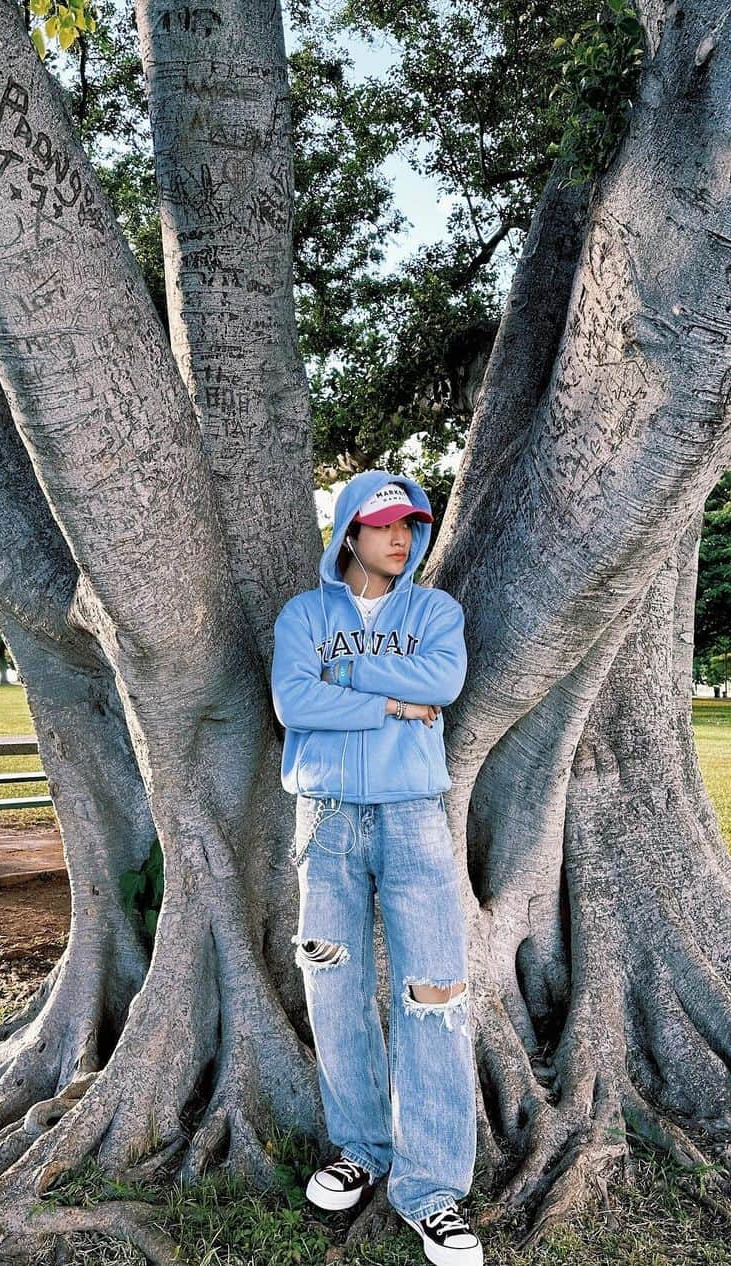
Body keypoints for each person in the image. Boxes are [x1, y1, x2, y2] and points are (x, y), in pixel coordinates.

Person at [271, 470, 482, 1266]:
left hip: (411, 817)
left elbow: (444, 681)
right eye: (385, 524)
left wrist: (348, 679)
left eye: (412, 526)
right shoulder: (305, 615)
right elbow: (294, 703)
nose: (401, 538)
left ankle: (432, 1190)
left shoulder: (434, 612)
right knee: (334, 982)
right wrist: (392, 701)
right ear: (349, 532)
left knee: (434, 988)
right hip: (323, 822)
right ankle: (363, 1146)